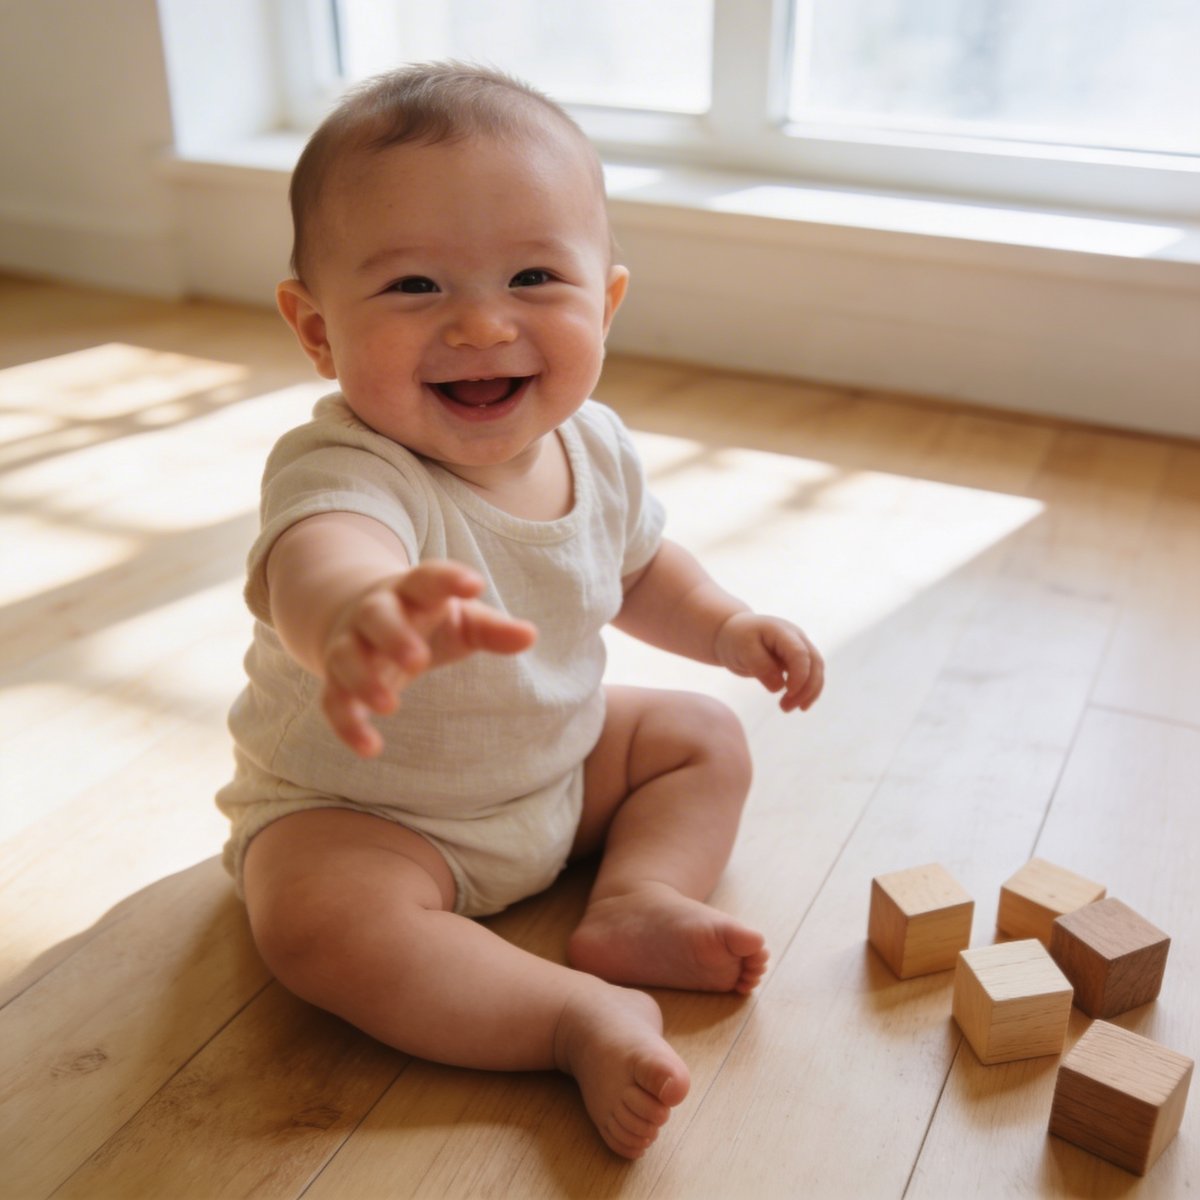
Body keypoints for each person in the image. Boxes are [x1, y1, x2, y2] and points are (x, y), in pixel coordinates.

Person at [216, 62, 824, 1159]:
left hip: (560, 768)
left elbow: (638, 571)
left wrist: (726, 625)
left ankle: (635, 901)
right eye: (415, 288)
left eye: (536, 276)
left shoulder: (595, 446)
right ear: (315, 332)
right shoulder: (344, 468)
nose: (486, 327)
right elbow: (322, 555)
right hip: (373, 819)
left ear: (608, 300)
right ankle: (564, 1016)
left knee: (700, 736)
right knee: (312, 925)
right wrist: (359, 614)